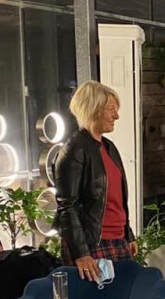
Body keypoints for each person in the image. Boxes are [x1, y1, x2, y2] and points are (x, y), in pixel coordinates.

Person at [53, 81, 137, 282]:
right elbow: (67, 206)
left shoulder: (109, 148)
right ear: (94, 109)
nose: (116, 116)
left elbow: (117, 200)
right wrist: (81, 253)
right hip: (91, 245)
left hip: (117, 240)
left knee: (124, 296)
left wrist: (128, 235)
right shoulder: (73, 151)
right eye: (111, 109)